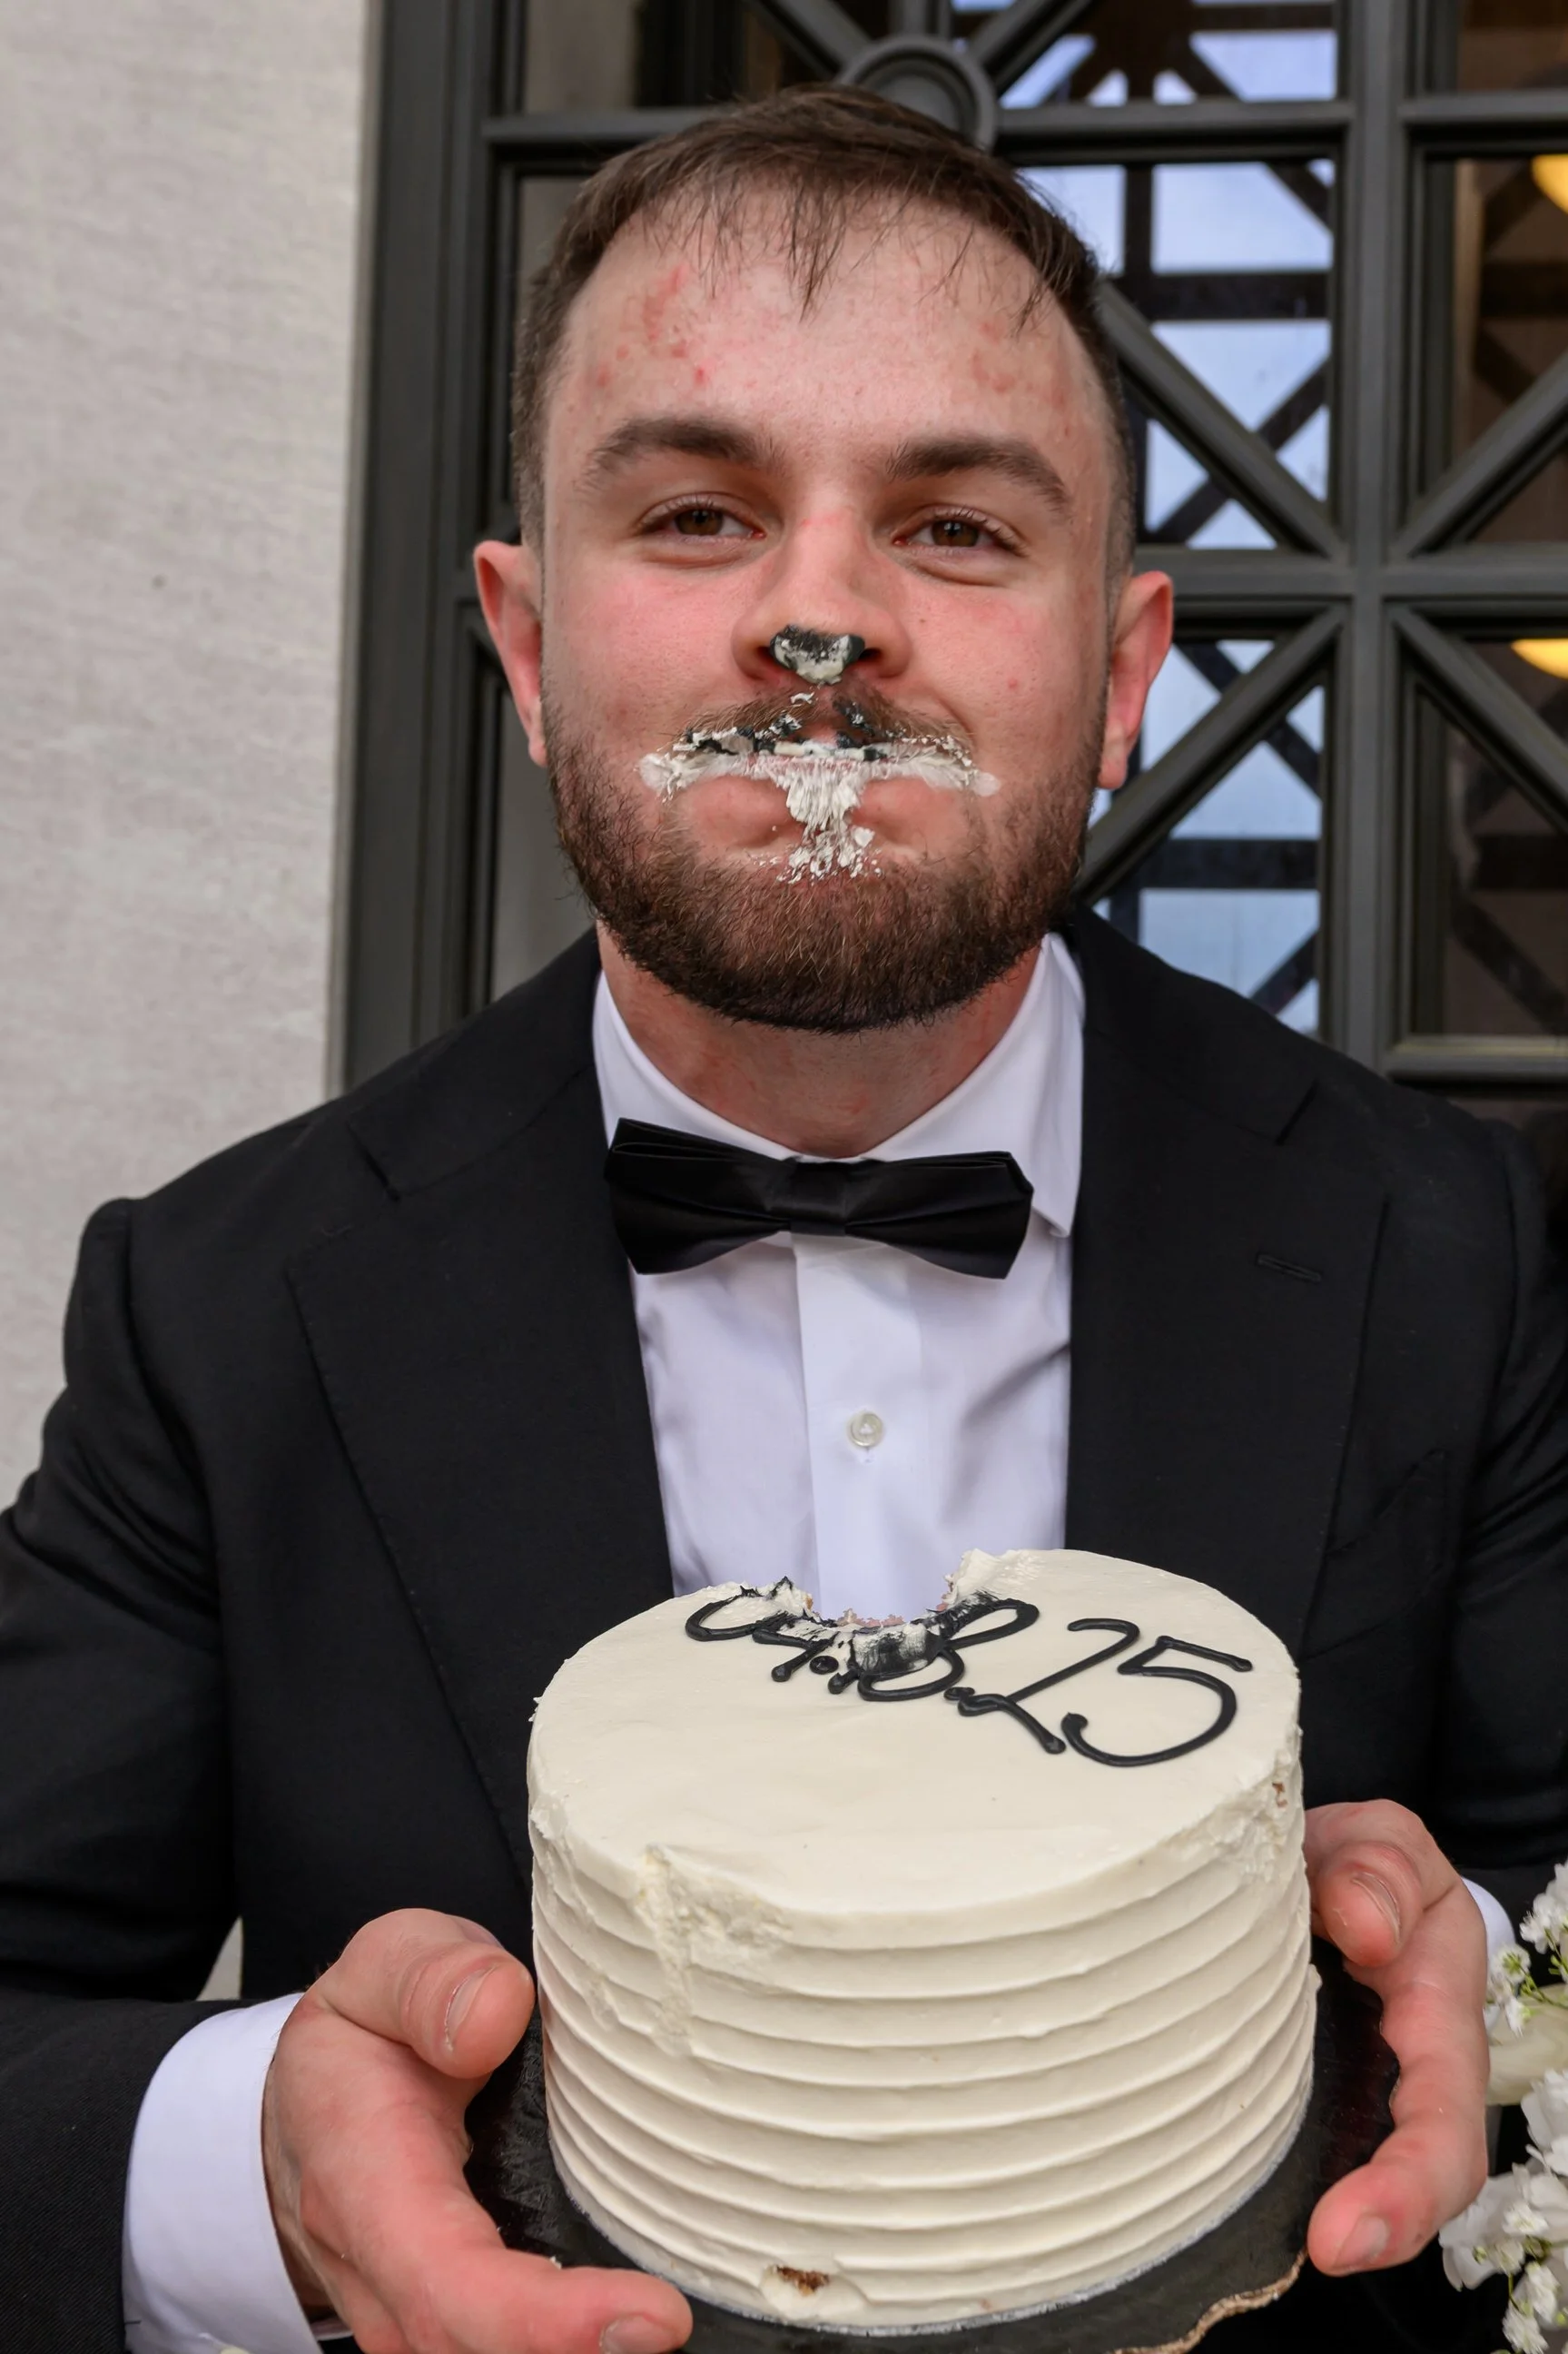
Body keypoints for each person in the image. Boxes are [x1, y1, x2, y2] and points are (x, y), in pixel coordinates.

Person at [1, 86, 1563, 2354]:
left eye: (947, 527)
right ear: (526, 649)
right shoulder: (219, 1307)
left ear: (1120, 673)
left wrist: (1495, 2013)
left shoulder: (1439, 1245)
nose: (817, 621)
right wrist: (259, 2170)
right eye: (702, 509)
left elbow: (1543, 1909)